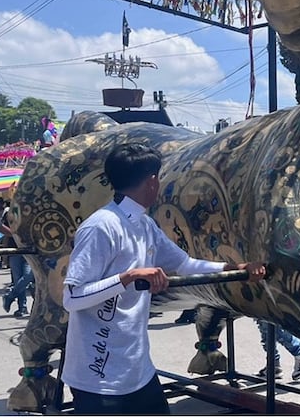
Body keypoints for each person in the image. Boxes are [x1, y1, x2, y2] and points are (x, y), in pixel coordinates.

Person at [61, 142, 266, 415]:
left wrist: (235, 268)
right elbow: (72, 297)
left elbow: (185, 264)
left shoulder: (145, 225)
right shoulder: (101, 227)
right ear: (152, 181)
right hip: (97, 377)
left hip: (139, 371)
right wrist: (128, 277)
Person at [1, 203, 33, 318]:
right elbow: (6, 234)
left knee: (28, 276)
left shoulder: (32, 211)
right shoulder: (8, 214)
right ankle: (22, 307)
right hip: (14, 250)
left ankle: (10, 296)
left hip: (29, 250)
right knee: (17, 278)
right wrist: (4, 255)